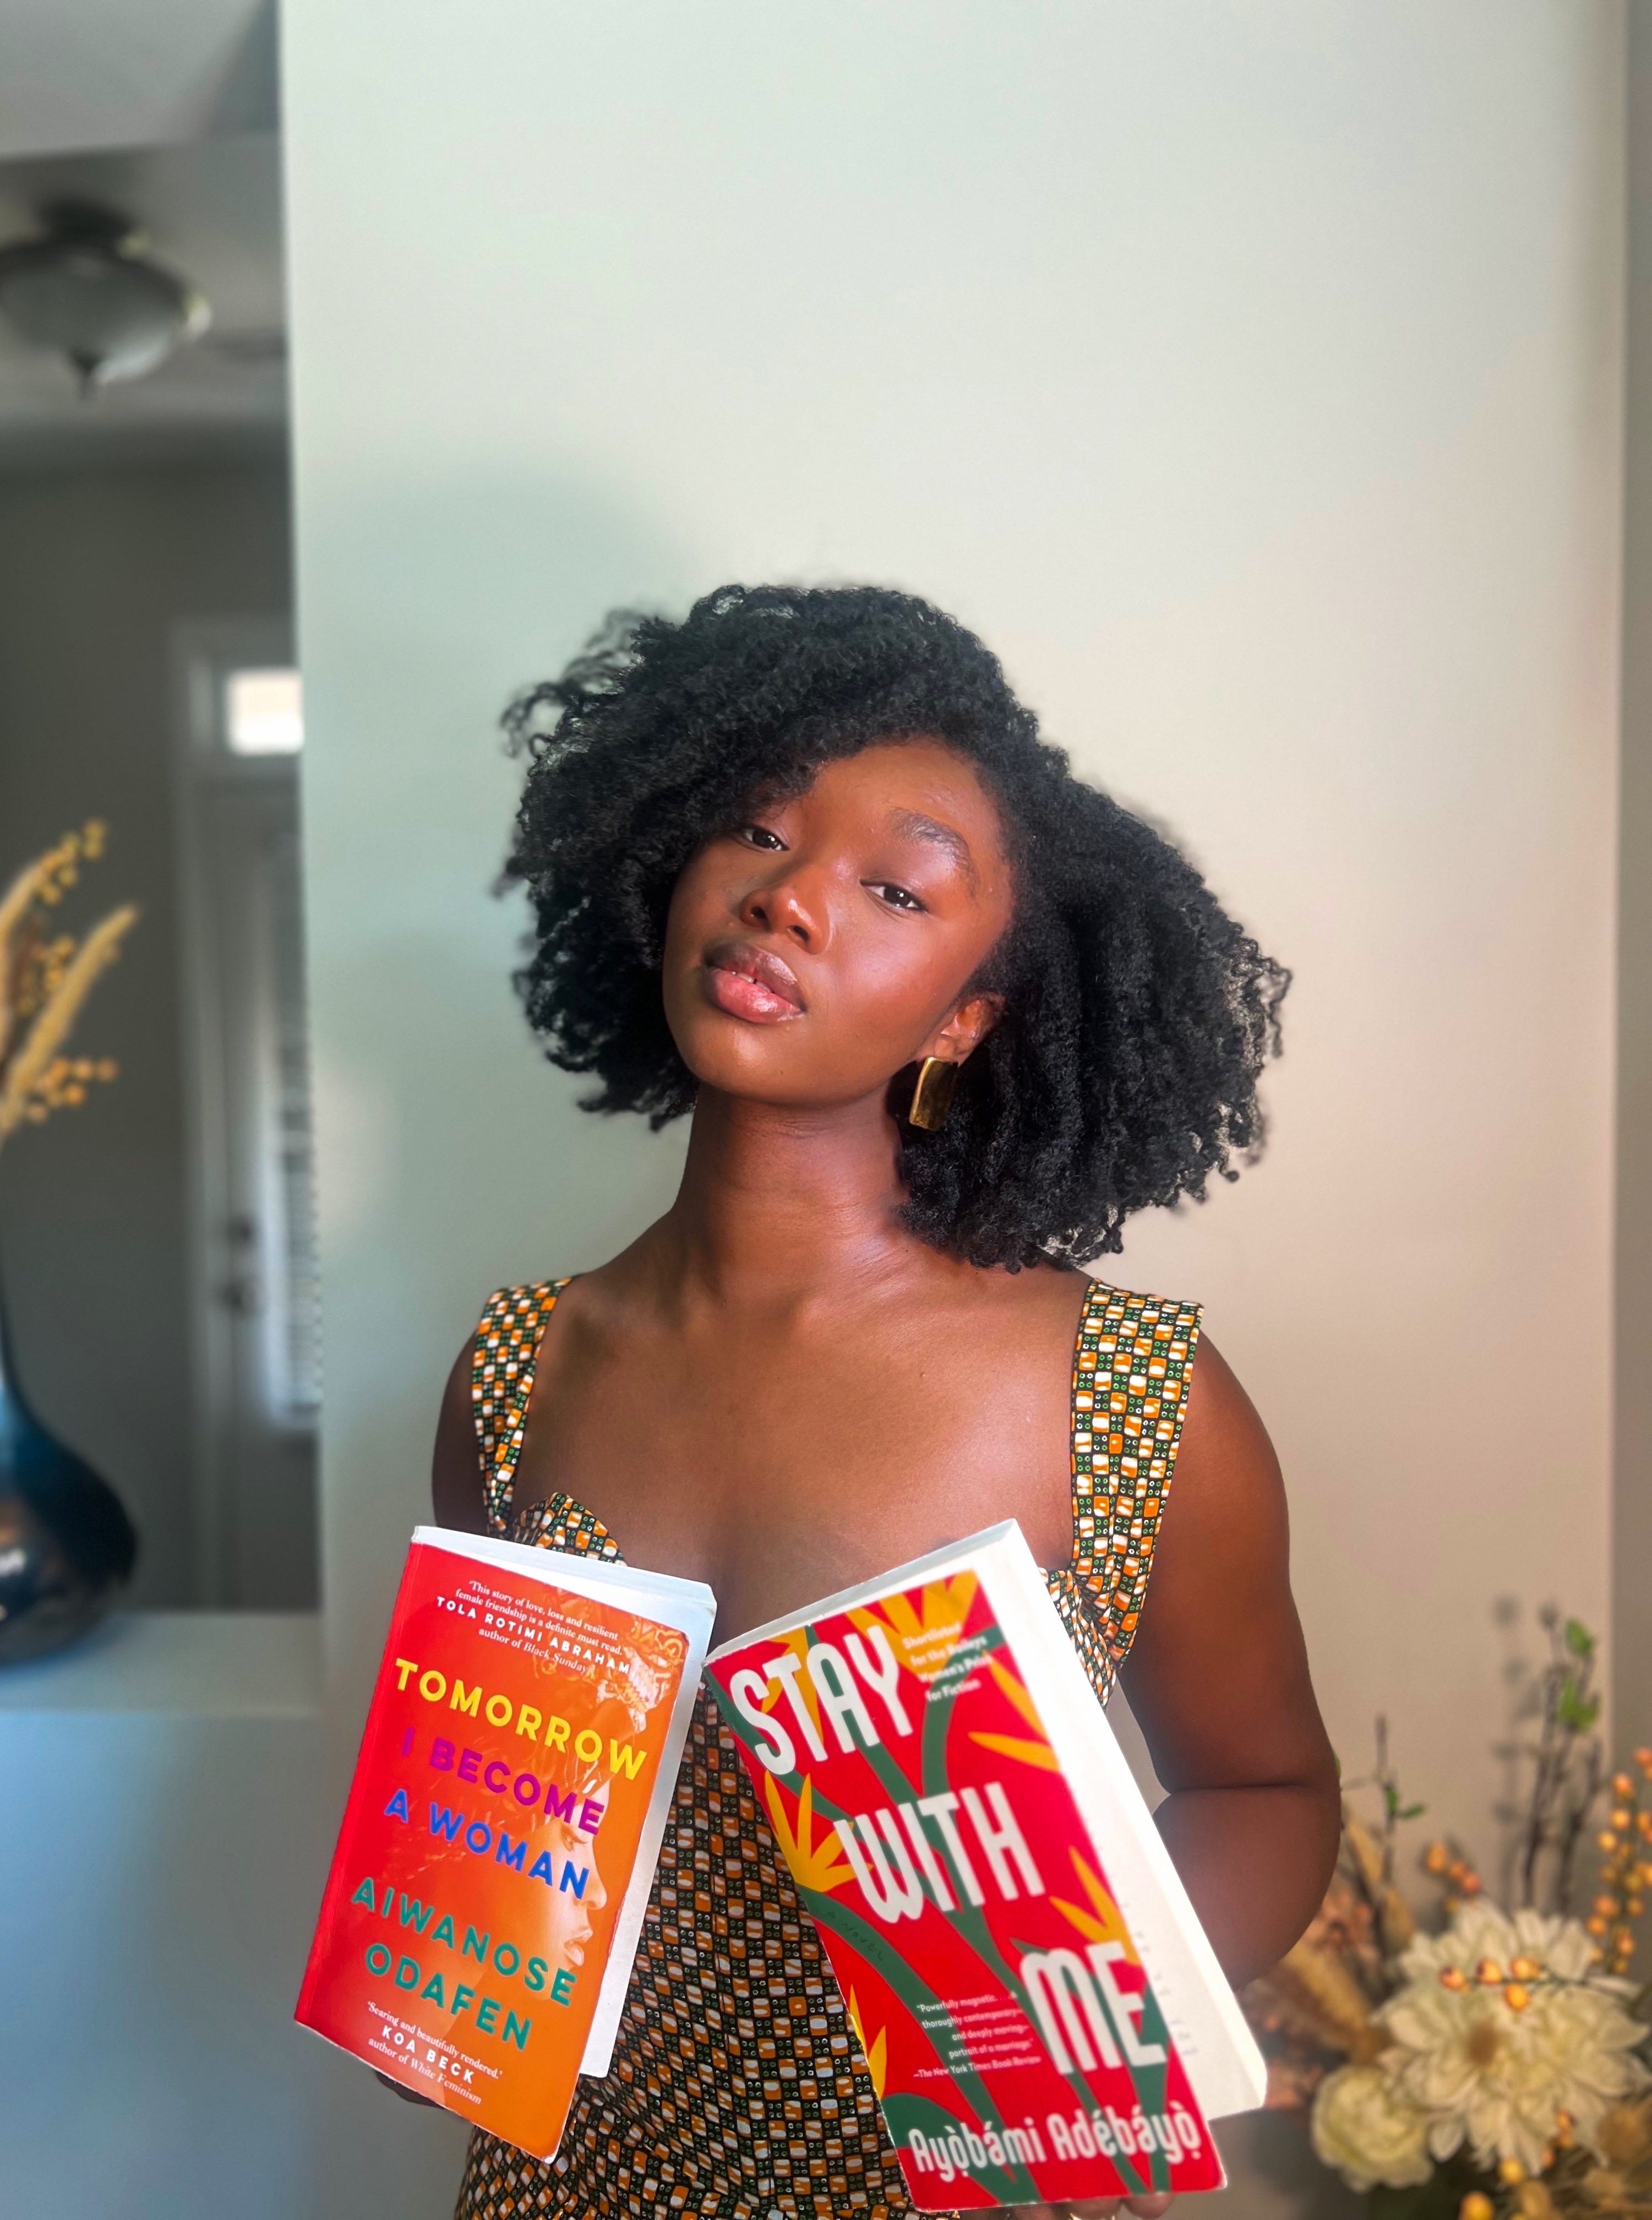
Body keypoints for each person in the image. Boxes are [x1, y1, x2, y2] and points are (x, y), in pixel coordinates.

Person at [427, 584, 1340, 2220]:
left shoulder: (1130, 1396)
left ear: (969, 1014)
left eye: (896, 887)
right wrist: (445, 1973)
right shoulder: (519, 1369)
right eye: (758, 831)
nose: (788, 898)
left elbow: (1267, 1792)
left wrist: (1069, 2046)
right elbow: (499, 1855)